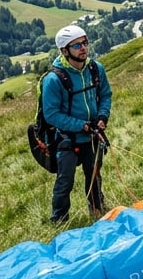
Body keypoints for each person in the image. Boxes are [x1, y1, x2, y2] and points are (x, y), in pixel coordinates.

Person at [42, 25, 112, 223]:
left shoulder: (95, 69)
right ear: (64, 50)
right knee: (65, 181)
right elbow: (52, 114)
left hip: (92, 135)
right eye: (77, 45)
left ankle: (98, 211)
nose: (83, 48)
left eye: (85, 43)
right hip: (67, 139)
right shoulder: (54, 79)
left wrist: (102, 117)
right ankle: (59, 220)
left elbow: (105, 94)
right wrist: (80, 125)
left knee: (94, 174)